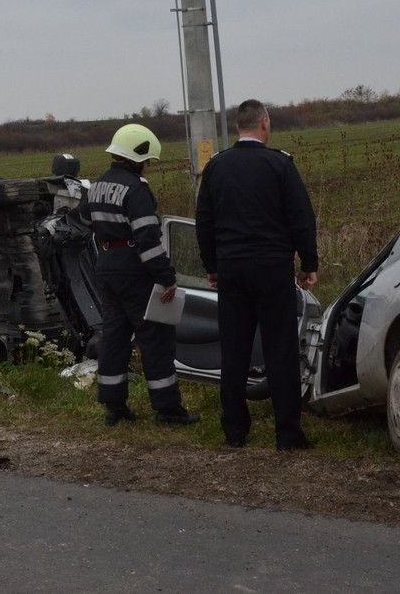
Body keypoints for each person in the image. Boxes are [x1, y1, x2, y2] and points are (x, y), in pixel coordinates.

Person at [195, 99, 319, 451]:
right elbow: (301, 218)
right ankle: (288, 433)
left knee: (234, 350)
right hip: (272, 268)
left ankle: (234, 431)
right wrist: (308, 264)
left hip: (232, 269)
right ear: (264, 123)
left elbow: (204, 221)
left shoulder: (216, 167)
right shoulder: (280, 164)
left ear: (239, 126)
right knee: (280, 349)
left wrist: (212, 267)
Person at [76, 123, 200, 427]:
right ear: (137, 156)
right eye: (147, 161)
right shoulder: (136, 188)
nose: (148, 167)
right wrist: (166, 277)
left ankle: (114, 407)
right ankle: (168, 410)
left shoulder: (96, 186)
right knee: (155, 339)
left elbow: (82, 220)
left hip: (106, 268)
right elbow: (147, 238)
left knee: (115, 338)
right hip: (135, 271)